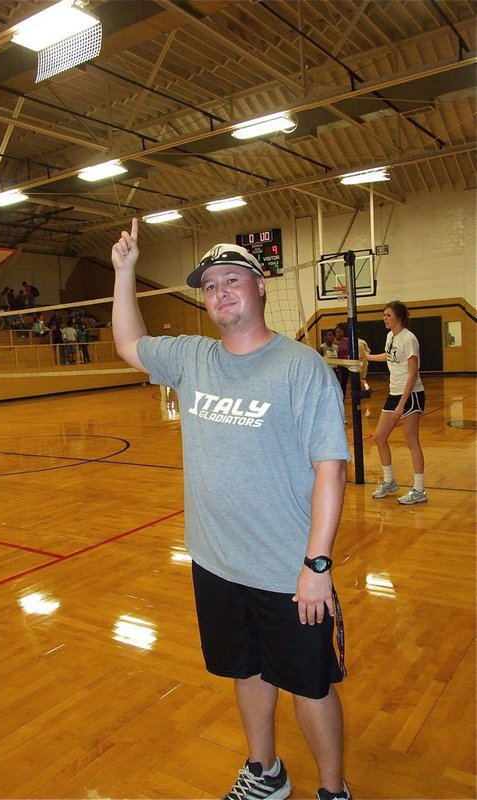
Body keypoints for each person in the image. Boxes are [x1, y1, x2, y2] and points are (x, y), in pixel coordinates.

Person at [111, 220, 352, 800]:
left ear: (260, 287)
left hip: (287, 572)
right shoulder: (192, 358)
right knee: (245, 669)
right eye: (211, 284)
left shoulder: (300, 368)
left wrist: (316, 566)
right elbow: (127, 345)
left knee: (310, 685)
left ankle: (333, 790)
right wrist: (123, 273)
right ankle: (265, 772)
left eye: (233, 280)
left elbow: (331, 466)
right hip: (216, 562)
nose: (220, 292)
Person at [365, 301, 427, 505]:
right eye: (384, 315)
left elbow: (413, 372)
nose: (384, 318)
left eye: (388, 315)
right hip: (394, 393)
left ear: (399, 317)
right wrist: (369, 357)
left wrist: (402, 404)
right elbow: (390, 357)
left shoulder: (409, 339)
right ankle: (390, 481)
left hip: (410, 394)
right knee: (380, 437)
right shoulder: (391, 336)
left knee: (411, 442)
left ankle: (419, 490)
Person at [334, 323, 349, 400]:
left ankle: (342, 403)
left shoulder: (347, 341)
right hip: (335, 367)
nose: (338, 333)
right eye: (336, 332)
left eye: (339, 331)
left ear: (343, 332)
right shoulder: (332, 342)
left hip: (344, 366)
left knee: (343, 385)